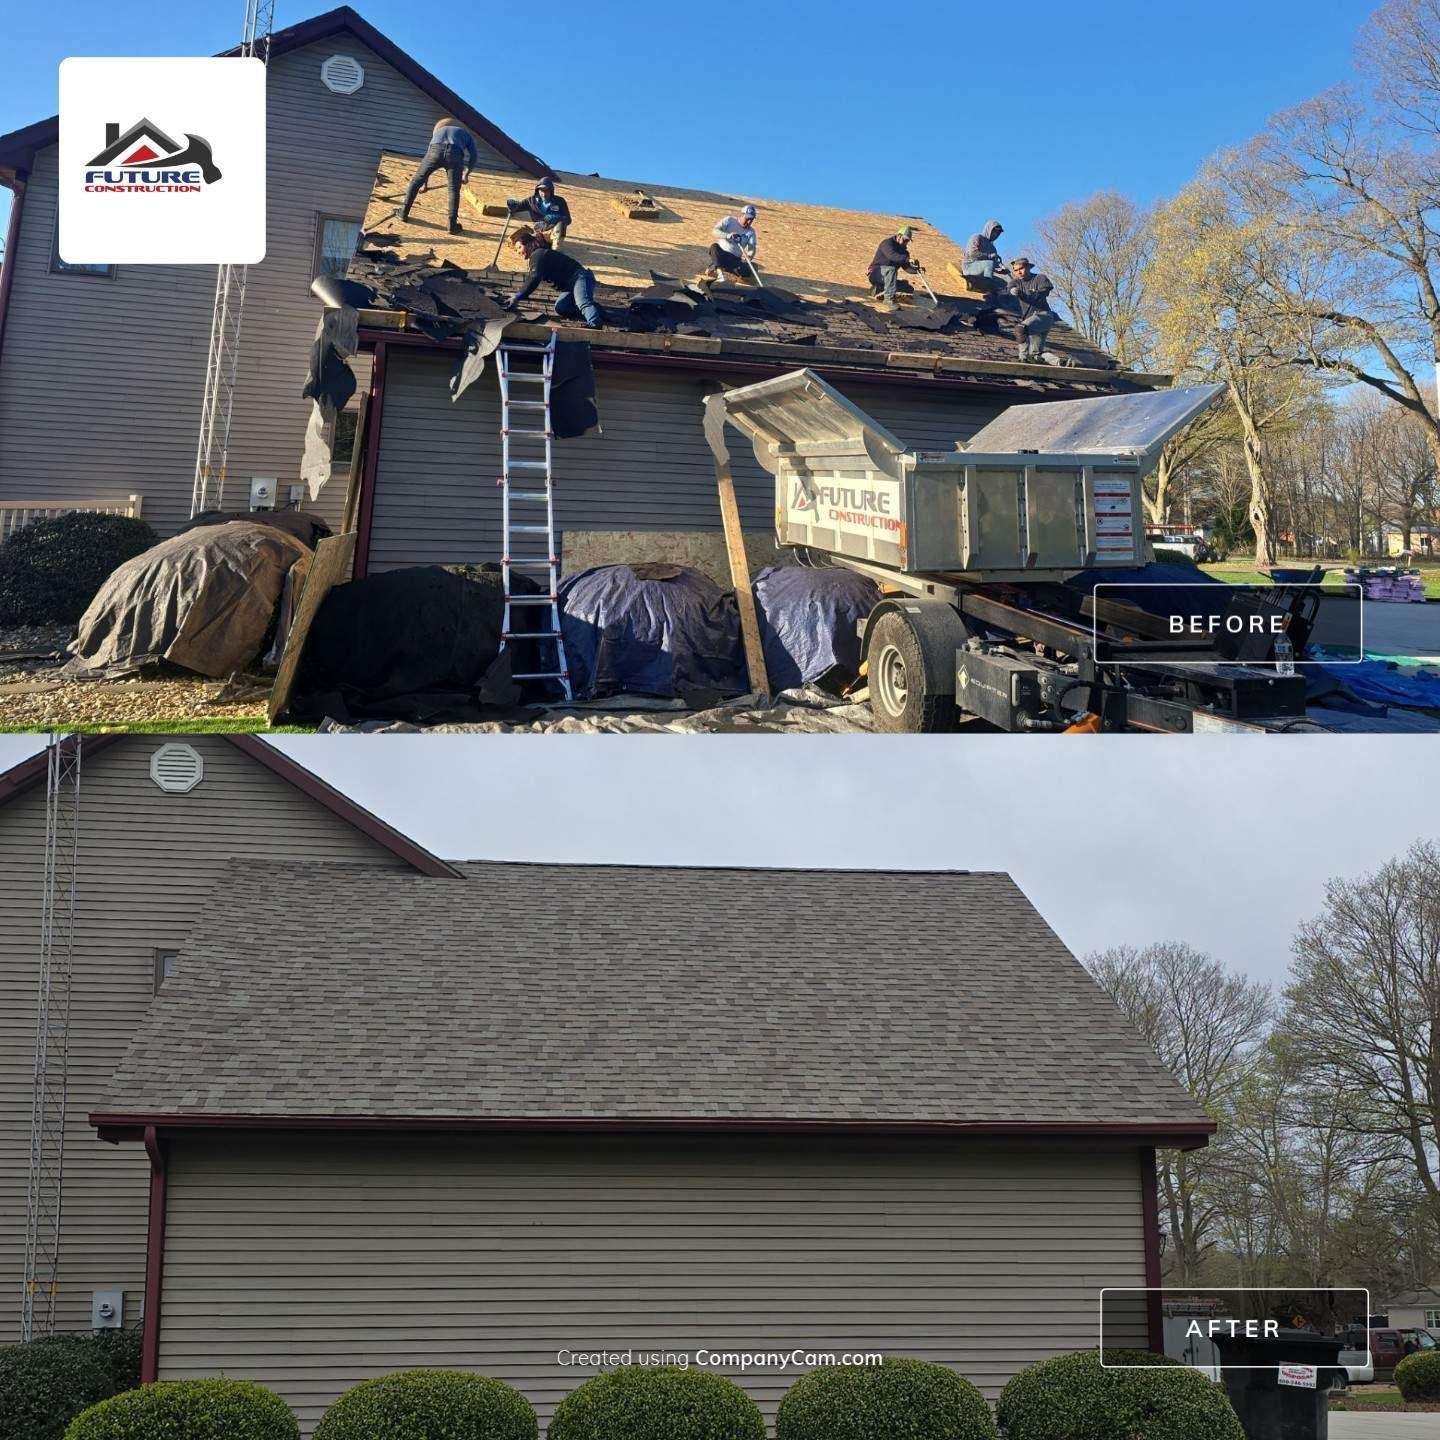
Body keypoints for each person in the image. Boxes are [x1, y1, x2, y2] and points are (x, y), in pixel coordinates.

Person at [503, 226, 603, 329]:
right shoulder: (536, 258)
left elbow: (534, 277)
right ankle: (598, 312)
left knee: (582, 301)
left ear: (528, 244)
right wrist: (519, 295)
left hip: (580, 277)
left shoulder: (538, 254)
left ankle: (595, 323)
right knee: (561, 308)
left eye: (520, 247)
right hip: (570, 287)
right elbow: (532, 277)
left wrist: (517, 296)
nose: (518, 252)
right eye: (516, 250)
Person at [402, 117, 481, 234]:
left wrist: (424, 185)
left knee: (415, 181)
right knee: (454, 190)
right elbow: (474, 156)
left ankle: (403, 213)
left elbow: (428, 159)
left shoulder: (438, 132)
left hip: (435, 149)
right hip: (455, 153)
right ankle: (452, 225)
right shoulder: (466, 134)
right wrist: (466, 174)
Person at [1007, 256, 1055, 361]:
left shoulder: (1040, 278)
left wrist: (1033, 293)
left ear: (1028, 267)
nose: (1018, 272)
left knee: (1020, 328)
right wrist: (1014, 291)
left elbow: (1044, 292)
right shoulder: (1015, 282)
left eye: (1021, 269)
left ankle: (1022, 359)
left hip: (1043, 316)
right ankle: (1060, 363)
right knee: (1035, 355)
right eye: (1016, 270)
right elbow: (1010, 288)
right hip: (1030, 320)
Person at [506, 175, 572, 248]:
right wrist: (512, 205)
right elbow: (518, 207)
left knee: (560, 224)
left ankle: (555, 250)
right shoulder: (531, 201)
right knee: (515, 240)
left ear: (551, 190)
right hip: (538, 231)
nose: (544, 193)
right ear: (537, 190)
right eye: (541, 190)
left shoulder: (559, 201)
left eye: (546, 190)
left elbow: (568, 219)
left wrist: (556, 217)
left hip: (552, 232)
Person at [699, 204, 758, 283]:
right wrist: (727, 235)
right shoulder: (729, 220)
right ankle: (720, 274)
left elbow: (752, 248)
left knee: (747, 270)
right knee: (714, 247)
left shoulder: (751, 232)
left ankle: (716, 267)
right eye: (747, 218)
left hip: (735, 259)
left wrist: (748, 258)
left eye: (752, 219)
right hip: (722, 254)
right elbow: (715, 231)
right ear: (742, 214)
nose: (749, 222)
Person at [867, 225, 921, 304]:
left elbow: (906, 268)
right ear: (899, 236)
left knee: (908, 288)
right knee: (891, 269)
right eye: (905, 240)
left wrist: (916, 269)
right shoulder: (887, 243)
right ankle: (888, 299)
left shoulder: (904, 252)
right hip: (876, 273)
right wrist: (908, 259)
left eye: (908, 241)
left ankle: (879, 289)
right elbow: (892, 256)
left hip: (889, 278)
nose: (906, 243)